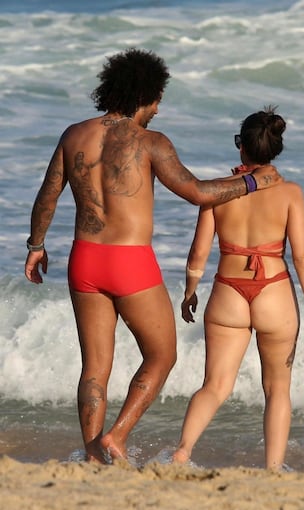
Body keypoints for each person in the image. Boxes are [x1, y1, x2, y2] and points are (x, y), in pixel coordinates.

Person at [24, 49, 282, 464]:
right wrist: (255, 181)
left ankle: (93, 455)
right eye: (158, 99)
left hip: (84, 259)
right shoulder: (150, 142)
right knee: (162, 355)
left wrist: (36, 246)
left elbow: (47, 195)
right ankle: (117, 437)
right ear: (145, 94)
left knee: (94, 367)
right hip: (130, 262)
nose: (158, 108)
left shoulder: (73, 134)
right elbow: (196, 192)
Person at [173, 106, 304, 470]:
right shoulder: (291, 193)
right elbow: (303, 258)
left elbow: (198, 252)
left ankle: (181, 452)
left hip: (228, 291)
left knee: (214, 386)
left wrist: (190, 291)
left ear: (240, 146)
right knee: (277, 391)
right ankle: (273, 470)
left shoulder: (218, 192)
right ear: (275, 148)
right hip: (274, 290)